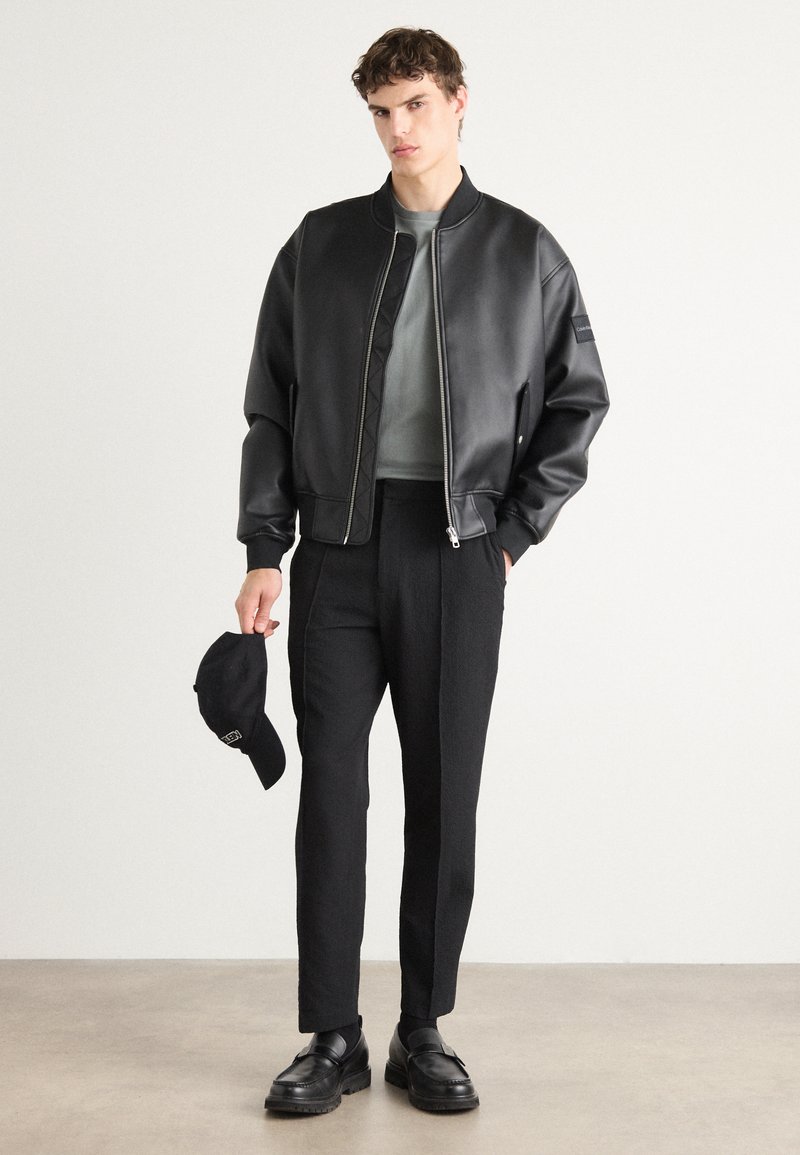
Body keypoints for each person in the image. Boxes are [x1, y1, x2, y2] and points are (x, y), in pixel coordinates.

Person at [234, 27, 609, 1115]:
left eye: (415, 105)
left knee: (443, 796)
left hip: (457, 551)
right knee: (332, 795)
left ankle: (422, 1029)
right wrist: (264, 549)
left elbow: (578, 400)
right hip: (337, 548)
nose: (397, 129)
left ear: (457, 102)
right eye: (380, 112)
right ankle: (332, 1035)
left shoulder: (523, 252)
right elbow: (271, 404)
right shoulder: (320, 244)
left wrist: (511, 531)